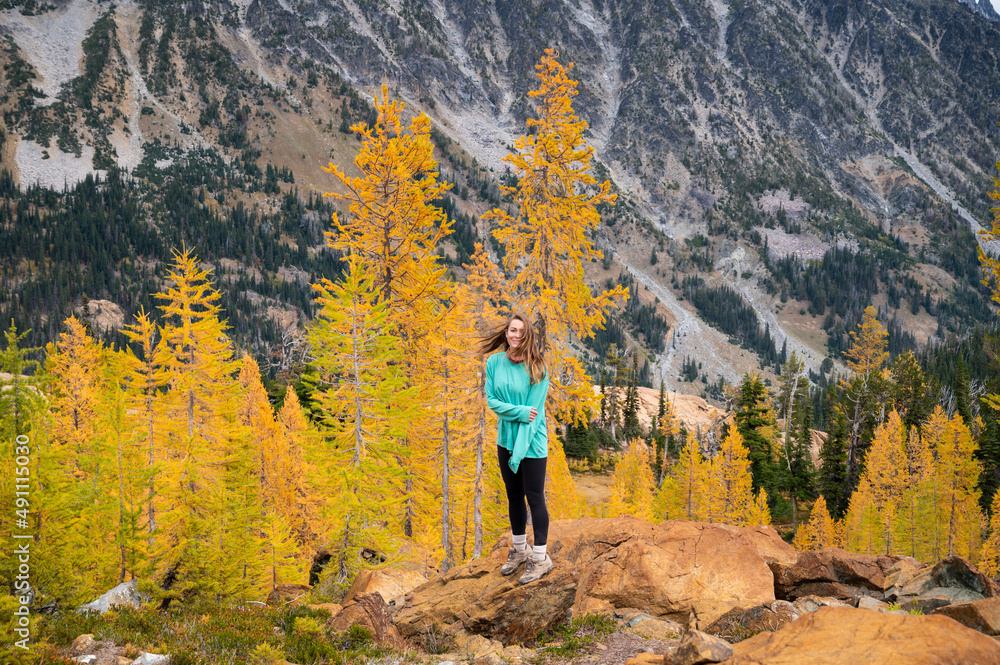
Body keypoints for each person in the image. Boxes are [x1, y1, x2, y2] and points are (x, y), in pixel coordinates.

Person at [480, 312, 553, 584]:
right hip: (506, 439)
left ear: (528, 336)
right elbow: (492, 401)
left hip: (531, 442)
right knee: (513, 496)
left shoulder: (538, 368)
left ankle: (540, 557)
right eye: (512, 330)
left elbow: (535, 416)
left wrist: (519, 452)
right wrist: (520, 411)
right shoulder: (494, 362)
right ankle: (520, 551)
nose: (516, 336)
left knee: (535, 498)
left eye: (521, 332)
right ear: (506, 332)